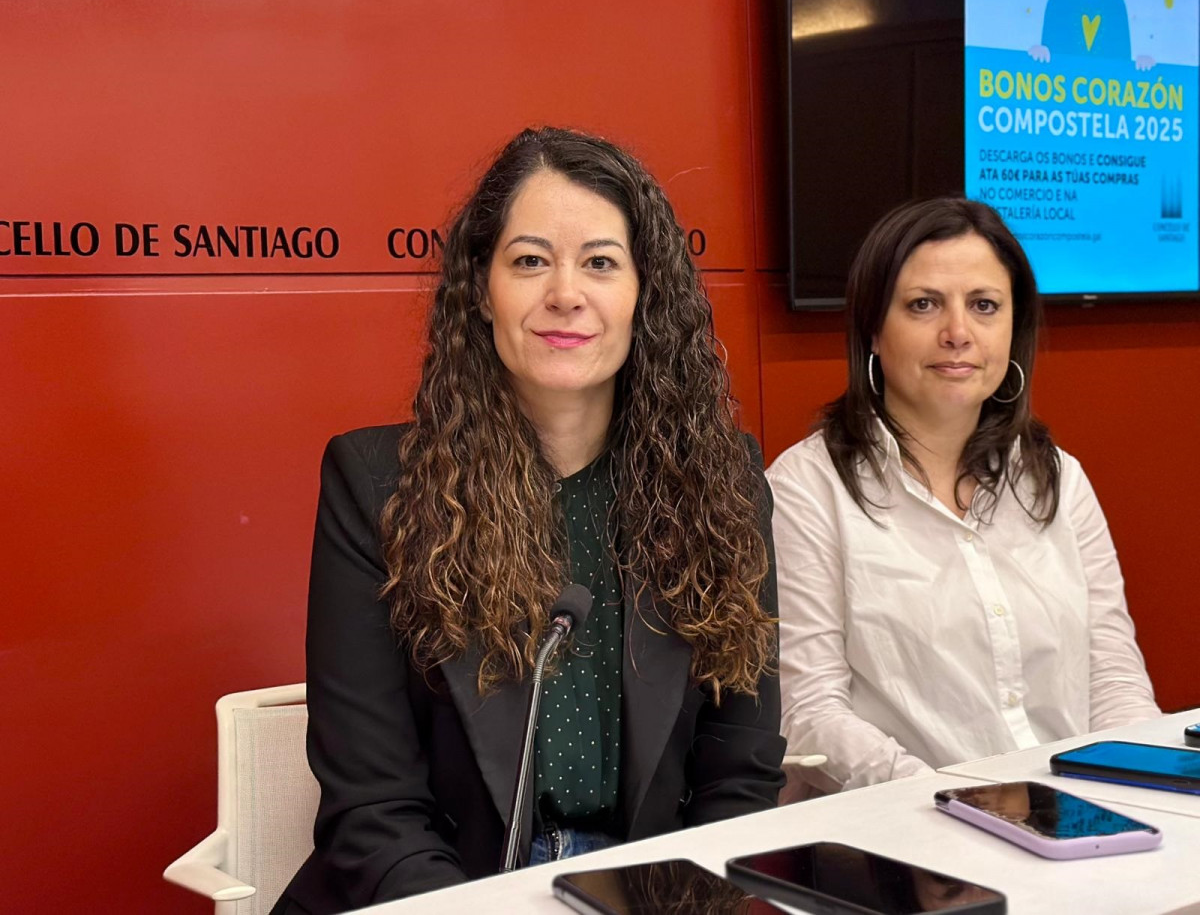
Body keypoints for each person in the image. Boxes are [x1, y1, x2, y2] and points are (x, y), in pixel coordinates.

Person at [272, 127, 785, 914]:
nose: (566, 293)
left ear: (644, 292)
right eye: (530, 260)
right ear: (481, 289)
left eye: (601, 263)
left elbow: (739, 771)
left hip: (651, 894)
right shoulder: (378, 485)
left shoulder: (720, 485)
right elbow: (374, 809)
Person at [768, 197, 1159, 794]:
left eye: (984, 306)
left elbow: (1113, 680)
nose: (958, 333)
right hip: (912, 836)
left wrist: (1143, 793)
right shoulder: (806, 488)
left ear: (1013, 327)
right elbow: (811, 713)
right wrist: (954, 803)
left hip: (1081, 816)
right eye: (923, 305)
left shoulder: (1056, 476)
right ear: (873, 328)